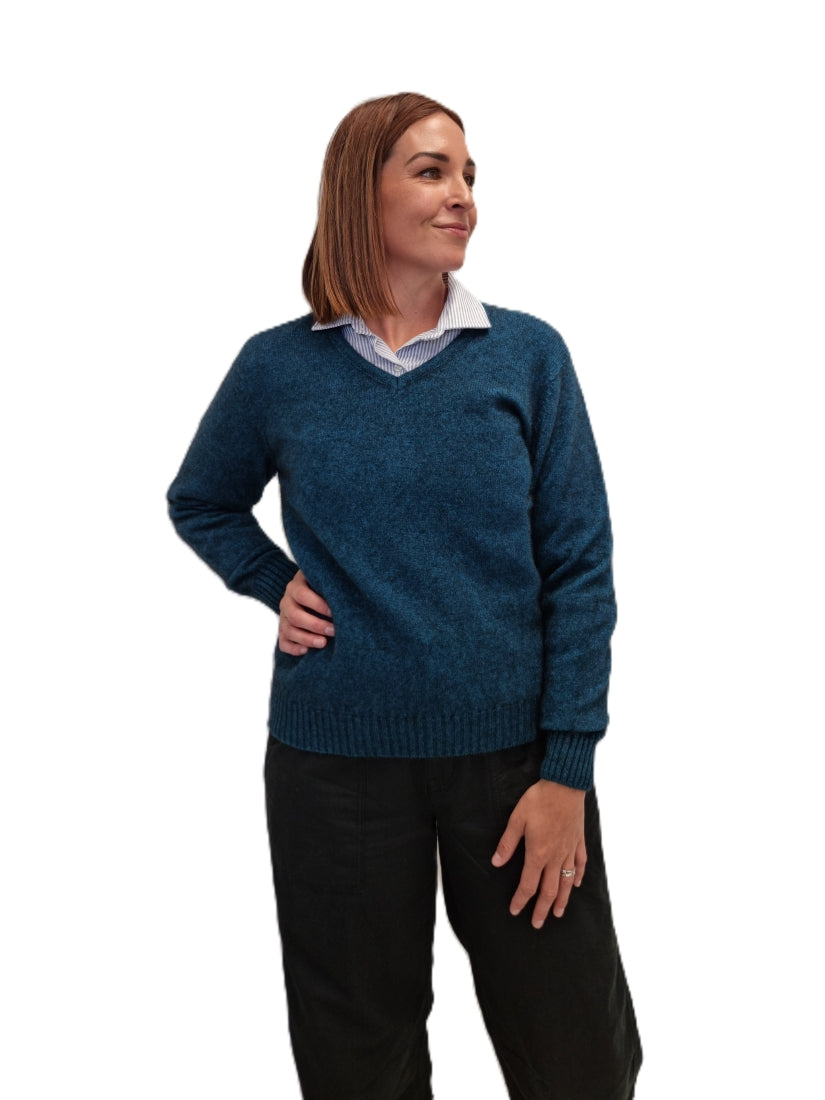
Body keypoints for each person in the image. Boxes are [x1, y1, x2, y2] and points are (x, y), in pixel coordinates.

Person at [168, 92, 642, 1100]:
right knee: (359, 1062)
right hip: (333, 767)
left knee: (578, 1055)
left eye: (469, 175)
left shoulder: (528, 355)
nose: (462, 195)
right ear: (360, 192)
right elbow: (201, 498)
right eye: (432, 171)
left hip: (514, 770)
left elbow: (580, 568)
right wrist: (271, 581)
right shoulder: (277, 367)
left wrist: (566, 768)